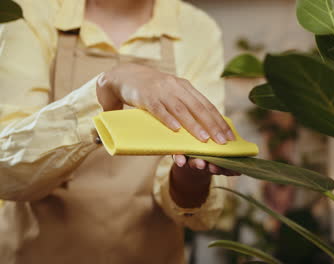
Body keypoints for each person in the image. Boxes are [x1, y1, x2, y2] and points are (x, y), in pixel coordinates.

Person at [0, 0, 240, 263]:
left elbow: (200, 214)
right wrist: (106, 87)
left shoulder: (197, 28)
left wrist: (192, 176)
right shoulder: (31, 11)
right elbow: (6, 171)